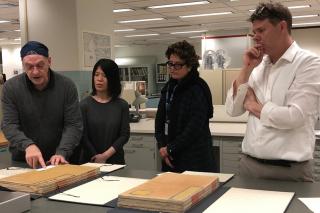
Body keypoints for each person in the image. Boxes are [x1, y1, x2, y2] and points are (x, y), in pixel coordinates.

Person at [225, 2, 320, 181]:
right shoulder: (258, 66)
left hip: (289, 171)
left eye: (262, 30)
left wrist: (252, 105)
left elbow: (294, 116)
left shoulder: (309, 63)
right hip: (249, 166)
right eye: (254, 32)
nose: (256, 37)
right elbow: (233, 109)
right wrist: (246, 68)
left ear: (282, 26)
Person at [1, 41, 83, 168]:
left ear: (49, 61)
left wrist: (62, 152)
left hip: (58, 159)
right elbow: (9, 124)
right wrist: (28, 145)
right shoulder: (11, 88)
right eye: (29, 66)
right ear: (23, 65)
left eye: (40, 65)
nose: (35, 72)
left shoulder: (67, 86)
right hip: (24, 160)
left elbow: (73, 124)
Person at [155, 40, 216, 173]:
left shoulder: (198, 88)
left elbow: (193, 128)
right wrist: (162, 146)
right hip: (169, 155)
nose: (172, 68)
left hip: (193, 158)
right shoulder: (169, 87)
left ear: (189, 66)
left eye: (177, 65)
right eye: (170, 64)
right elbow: (159, 120)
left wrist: (170, 148)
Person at [79, 58, 130, 164]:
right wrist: (96, 157)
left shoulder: (122, 105)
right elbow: (83, 136)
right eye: (96, 74)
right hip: (90, 161)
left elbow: (124, 135)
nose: (99, 79)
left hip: (115, 161)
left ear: (113, 79)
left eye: (104, 75)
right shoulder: (84, 105)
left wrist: (105, 156)